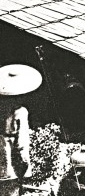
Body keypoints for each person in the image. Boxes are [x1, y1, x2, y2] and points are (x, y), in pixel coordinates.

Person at [0, 64, 41, 196]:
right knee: (10, 190)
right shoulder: (20, 111)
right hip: (9, 159)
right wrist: (25, 165)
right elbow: (21, 143)